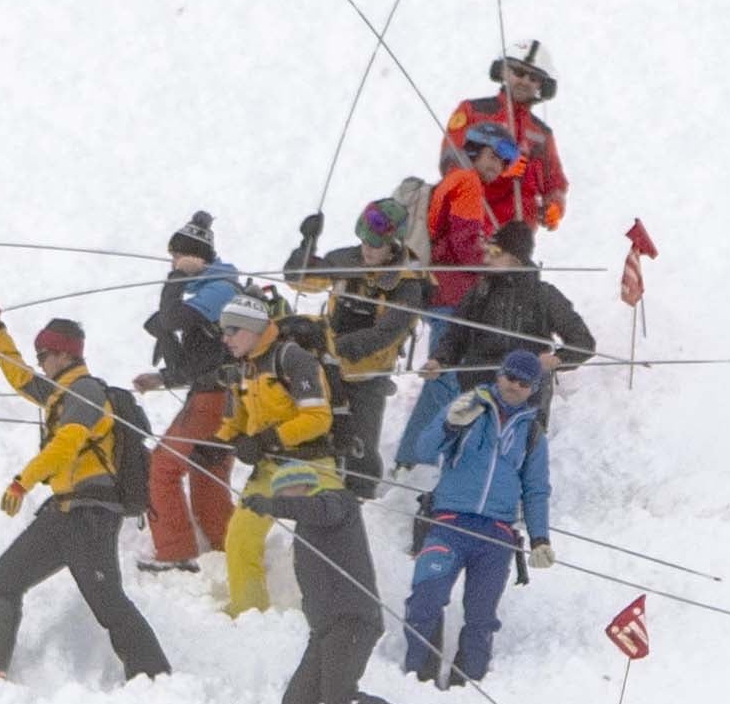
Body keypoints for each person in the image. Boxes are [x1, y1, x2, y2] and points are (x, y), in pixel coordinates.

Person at [0, 309, 171, 681]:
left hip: (91, 516)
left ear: (64, 354)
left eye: (44, 355)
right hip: (63, 513)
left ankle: (154, 677)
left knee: (107, 602)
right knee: (4, 581)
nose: (39, 362)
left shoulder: (85, 392)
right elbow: (20, 376)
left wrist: (22, 482)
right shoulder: (60, 393)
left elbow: (66, 444)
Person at [243, 460, 446, 704]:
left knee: (339, 697)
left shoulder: (337, 503)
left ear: (302, 485)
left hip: (352, 619)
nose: (282, 499)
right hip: (325, 627)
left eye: (284, 492)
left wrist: (272, 505)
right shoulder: (307, 525)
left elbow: (320, 511)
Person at [401, 349, 555, 686]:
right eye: (510, 377)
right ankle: (417, 678)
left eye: (524, 383)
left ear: (533, 389)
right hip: (448, 523)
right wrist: (448, 424)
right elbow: (423, 449)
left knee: (481, 617)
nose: (514, 386)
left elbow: (536, 490)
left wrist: (540, 539)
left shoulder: (532, 433)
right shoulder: (468, 408)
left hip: (496, 534)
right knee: (425, 599)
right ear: (499, 374)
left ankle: (467, 686)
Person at [394, 219, 595, 469]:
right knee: (467, 460)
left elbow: (583, 343)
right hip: (479, 392)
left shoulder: (544, 295)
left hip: (524, 397)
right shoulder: (479, 293)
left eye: (496, 252)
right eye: (487, 250)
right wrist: (440, 360)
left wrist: (557, 359)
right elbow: (455, 337)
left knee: (511, 464)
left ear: (516, 258)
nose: (487, 258)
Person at [283, 198, 428, 498]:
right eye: (364, 241)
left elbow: (386, 334)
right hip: (328, 369)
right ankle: (314, 495)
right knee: (318, 434)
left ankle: (362, 498)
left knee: (359, 445)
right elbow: (299, 280)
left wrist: (334, 348)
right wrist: (306, 245)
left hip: (367, 377)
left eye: (376, 244)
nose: (367, 249)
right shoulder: (345, 260)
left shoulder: (407, 282)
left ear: (394, 243)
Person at [211, 295, 341, 616]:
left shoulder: (293, 359)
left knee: (325, 541)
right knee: (240, 537)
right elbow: (236, 419)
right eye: (223, 331)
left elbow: (318, 418)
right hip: (270, 467)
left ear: (253, 329)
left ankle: (336, 614)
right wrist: (218, 443)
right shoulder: (242, 367)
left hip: (312, 464)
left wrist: (268, 439)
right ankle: (248, 612)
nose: (225, 338)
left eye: (232, 330)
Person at [131, 211, 240, 573]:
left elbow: (173, 318)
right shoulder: (215, 290)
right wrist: (161, 378)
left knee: (162, 466)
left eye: (176, 256)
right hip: (223, 397)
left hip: (214, 399)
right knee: (207, 473)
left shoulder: (221, 288)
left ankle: (175, 551)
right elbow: (200, 361)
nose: (172, 263)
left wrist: (177, 277)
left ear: (193, 256)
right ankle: (228, 548)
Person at [438, 39, 570, 230]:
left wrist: (555, 206)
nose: (525, 81)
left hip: (518, 237)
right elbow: (450, 161)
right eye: (519, 72)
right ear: (503, 71)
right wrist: (497, 170)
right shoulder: (473, 111)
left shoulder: (542, 134)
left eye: (533, 78)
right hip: (469, 224)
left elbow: (555, 181)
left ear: (542, 86)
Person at [424, 122, 513, 321]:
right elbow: (465, 245)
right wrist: (496, 261)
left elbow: (451, 236)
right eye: (492, 157)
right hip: (452, 294)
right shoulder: (468, 182)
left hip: (435, 286)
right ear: (474, 152)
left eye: (502, 163)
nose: (497, 167)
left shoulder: (453, 177)